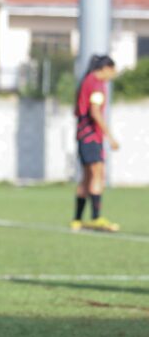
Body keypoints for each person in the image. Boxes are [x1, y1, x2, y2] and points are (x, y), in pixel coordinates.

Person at [71, 54, 119, 232]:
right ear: (105, 69)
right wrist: (110, 136)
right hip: (91, 137)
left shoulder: (86, 81)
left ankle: (76, 220)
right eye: (113, 70)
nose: (113, 74)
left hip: (83, 135)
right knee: (98, 175)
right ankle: (96, 217)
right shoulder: (97, 85)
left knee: (86, 178)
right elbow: (95, 112)